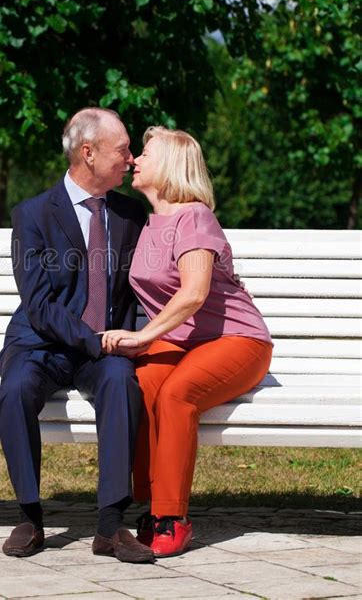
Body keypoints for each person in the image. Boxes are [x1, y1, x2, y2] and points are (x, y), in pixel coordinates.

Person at [102, 126, 273, 558]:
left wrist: (142, 336)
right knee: (141, 388)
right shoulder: (148, 221)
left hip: (237, 339)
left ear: (171, 166)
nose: (135, 159)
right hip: (182, 341)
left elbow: (194, 293)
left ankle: (171, 519)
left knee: (178, 394)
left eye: (145, 152)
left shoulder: (194, 216)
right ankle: (148, 502)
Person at [0, 108, 154, 564]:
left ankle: (109, 527)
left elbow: (144, 285)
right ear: (89, 152)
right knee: (15, 390)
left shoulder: (129, 213)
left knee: (123, 383)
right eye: (122, 149)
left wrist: (132, 337)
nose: (130, 158)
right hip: (41, 343)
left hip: (103, 350)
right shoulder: (34, 215)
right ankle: (29, 517)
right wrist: (94, 340)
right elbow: (39, 305)